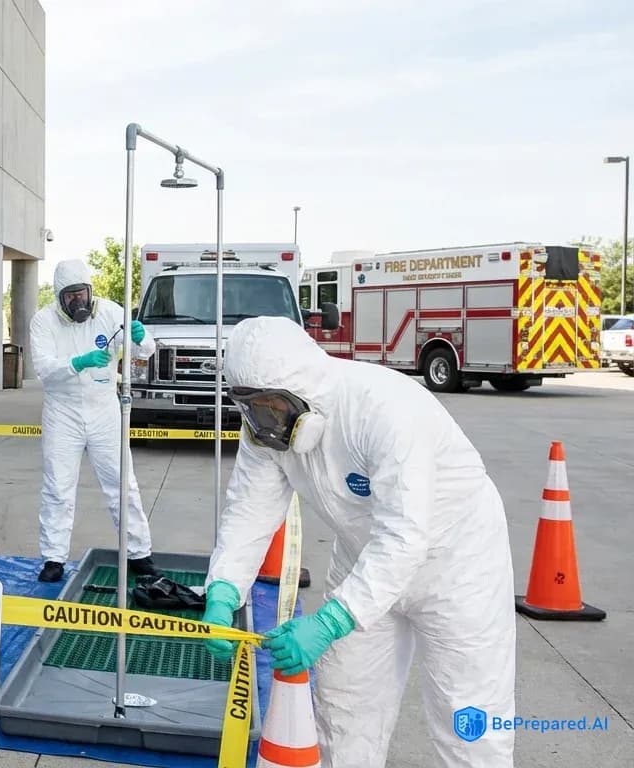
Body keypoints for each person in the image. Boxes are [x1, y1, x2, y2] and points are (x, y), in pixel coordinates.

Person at [199, 316, 515, 768]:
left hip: (457, 564)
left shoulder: (384, 408)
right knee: (345, 707)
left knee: (469, 716)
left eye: (272, 406)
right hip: (362, 559)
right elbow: (248, 511)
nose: (264, 420)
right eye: (251, 407)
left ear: (305, 388)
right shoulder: (266, 433)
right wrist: (223, 590)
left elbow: (406, 535)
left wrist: (329, 622)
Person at [28, 259, 161, 583]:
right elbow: (43, 368)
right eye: (70, 295)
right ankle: (54, 557)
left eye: (82, 293)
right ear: (60, 296)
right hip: (63, 411)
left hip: (104, 409)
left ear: (90, 290)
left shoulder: (110, 312)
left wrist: (141, 337)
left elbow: (145, 352)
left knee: (122, 483)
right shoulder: (43, 322)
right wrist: (78, 362)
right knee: (58, 487)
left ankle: (139, 553)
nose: (78, 300)